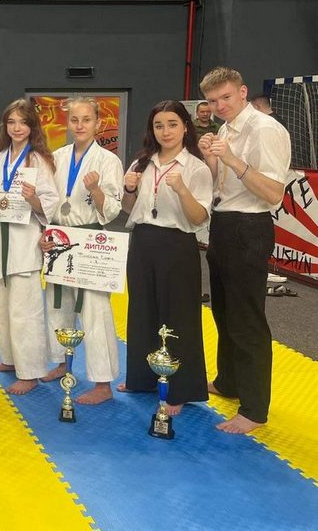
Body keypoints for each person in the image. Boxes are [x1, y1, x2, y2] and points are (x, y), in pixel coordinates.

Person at [200, 67, 290, 434]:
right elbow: (223, 186)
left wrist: (234, 160)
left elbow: (273, 193)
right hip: (223, 223)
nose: (219, 106)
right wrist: (212, 160)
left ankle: (254, 409)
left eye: (225, 97)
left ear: (242, 92)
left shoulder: (265, 129)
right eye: (212, 101)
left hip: (249, 227)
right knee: (223, 312)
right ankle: (229, 382)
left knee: (247, 318)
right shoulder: (225, 129)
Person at [119, 100, 212, 416]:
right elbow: (129, 210)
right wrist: (129, 189)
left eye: (172, 124)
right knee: (142, 309)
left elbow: (198, 218)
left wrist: (183, 190)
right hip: (143, 240)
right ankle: (141, 378)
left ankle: (181, 388)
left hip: (177, 243)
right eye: (159, 125)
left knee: (179, 315)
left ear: (185, 127)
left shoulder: (196, 168)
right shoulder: (142, 163)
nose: (166, 131)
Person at [42, 97, 124, 405]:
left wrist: (95, 190)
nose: (80, 125)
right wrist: (45, 233)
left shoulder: (108, 161)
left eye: (86, 119)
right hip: (59, 237)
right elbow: (49, 201)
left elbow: (112, 211)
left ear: (98, 123)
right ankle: (61, 363)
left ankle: (102, 383)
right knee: (57, 305)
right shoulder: (57, 157)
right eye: (74, 119)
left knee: (94, 311)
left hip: (90, 240)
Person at [0, 98, 57, 394]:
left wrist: (34, 199)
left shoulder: (39, 160)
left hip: (25, 240)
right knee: (1, 307)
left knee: (25, 311)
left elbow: (51, 203)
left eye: (23, 122)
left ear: (32, 126)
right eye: (11, 122)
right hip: (2, 239)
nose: (17, 128)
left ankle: (31, 372)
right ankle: (10, 359)